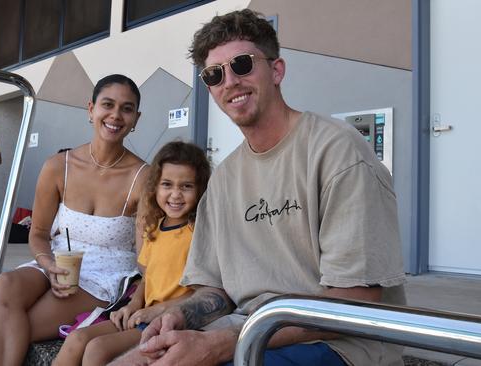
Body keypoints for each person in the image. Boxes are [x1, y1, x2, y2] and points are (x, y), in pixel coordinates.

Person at [113, 9, 406, 366]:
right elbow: (214, 290)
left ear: (276, 70)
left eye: (241, 64)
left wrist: (226, 342)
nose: (229, 81)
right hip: (246, 330)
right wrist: (179, 314)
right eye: (214, 74)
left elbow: (353, 300)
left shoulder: (336, 151)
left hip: (338, 345)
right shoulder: (223, 180)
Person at [0, 74, 149, 365]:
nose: (115, 115)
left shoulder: (143, 176)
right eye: (107, 104)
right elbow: (40, 232)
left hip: (104, 276)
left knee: (20, 325)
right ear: (90, 109)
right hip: (57, 262)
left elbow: (148, 254)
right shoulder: (59, 166)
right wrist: (47, 264)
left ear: (136, 118)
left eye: (127, 108)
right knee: (5, 283)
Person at [52, 141, 211, 366]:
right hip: (144, 314)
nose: (175, 194)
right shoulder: (155, 228)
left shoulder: (198, 233)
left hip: (173, 321)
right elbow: (149, 277)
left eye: (186, 186)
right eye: (167, 184)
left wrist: (154, 311)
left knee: (97, 350)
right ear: (155, 187)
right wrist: (134, 304)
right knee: (77, 339)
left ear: (200, 189)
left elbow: (204, 293)